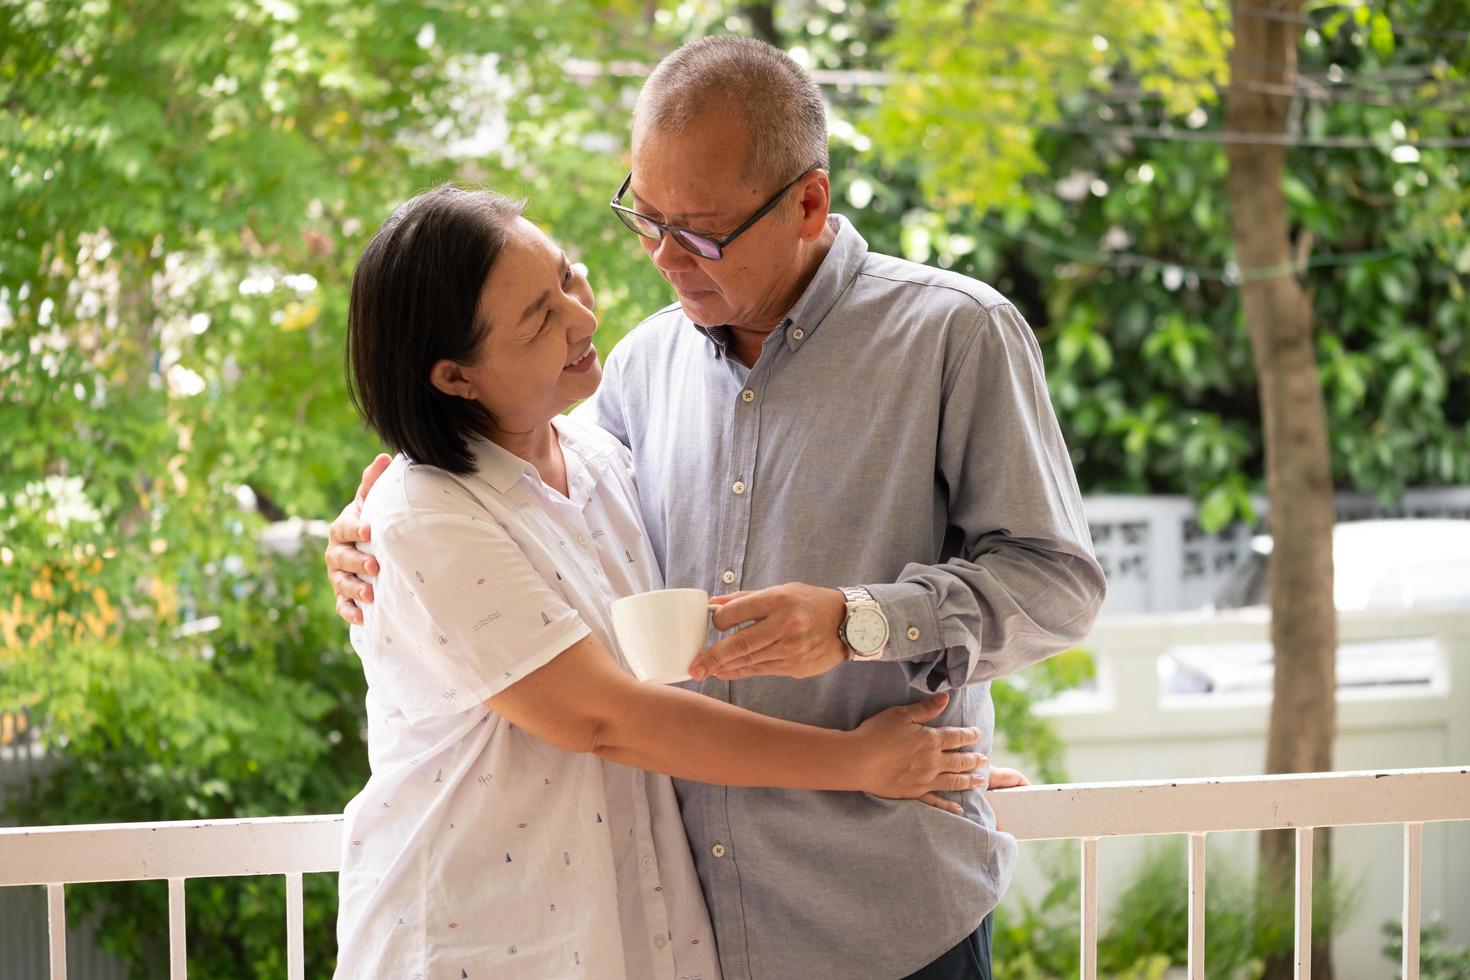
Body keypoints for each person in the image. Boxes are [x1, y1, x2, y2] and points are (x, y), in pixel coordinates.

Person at [329, 37, 1105, 980]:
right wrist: (369, 536)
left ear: (808, 203)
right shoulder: (635, 372)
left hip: (885, 913)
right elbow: (499, 491)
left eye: (697, 233)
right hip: (678, 924)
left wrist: (859, 623)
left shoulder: (952, 335)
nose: (659, 260)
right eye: (642, 218)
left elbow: (1058, 586)